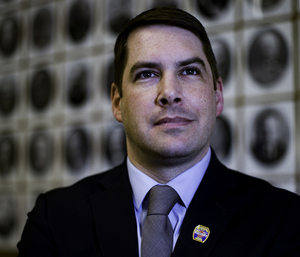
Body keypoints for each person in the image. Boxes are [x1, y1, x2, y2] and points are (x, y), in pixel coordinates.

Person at [17, 7, 300, 257]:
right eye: (147, 74)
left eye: (189, 71)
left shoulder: (283, 220)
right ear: (118, 102)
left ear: (217, 96)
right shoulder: (55, 219)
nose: (170, 93)